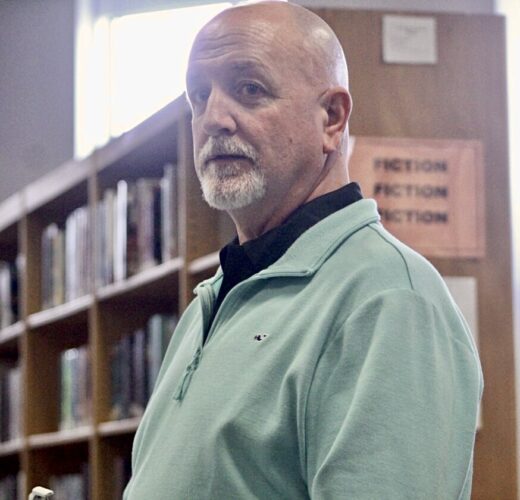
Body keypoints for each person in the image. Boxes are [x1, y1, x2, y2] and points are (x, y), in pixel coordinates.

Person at [123, 2, 483, 498]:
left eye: (250, 89)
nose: (214, 119)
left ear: (331, 118)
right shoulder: (212, 300)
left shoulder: (388, 299)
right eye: (199, 96)